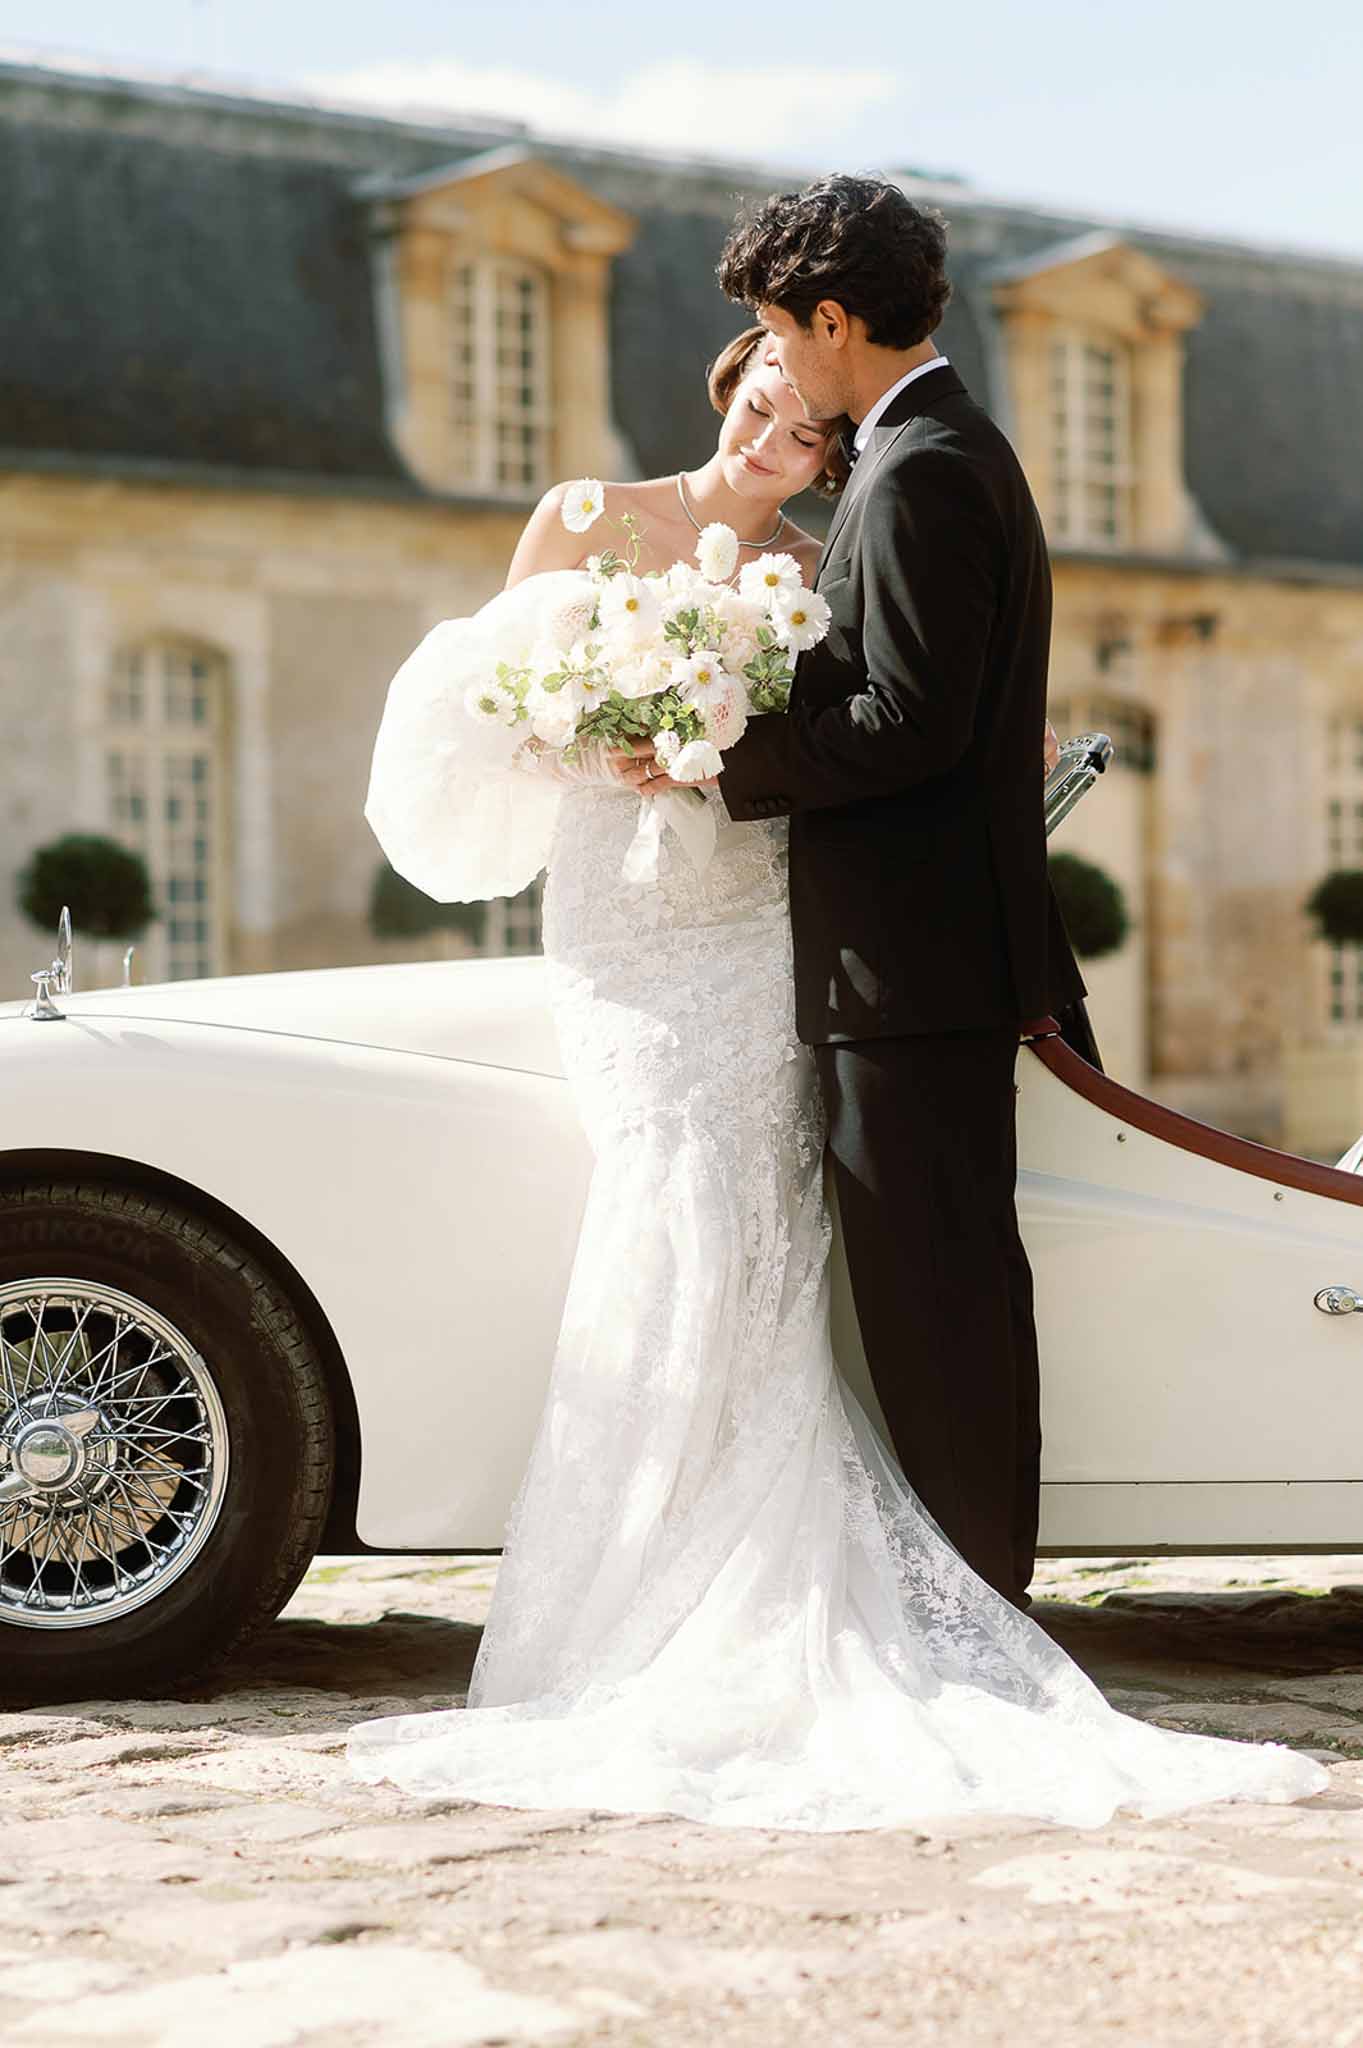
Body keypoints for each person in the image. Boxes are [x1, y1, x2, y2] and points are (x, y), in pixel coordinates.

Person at [349, 236, 1327, 1832]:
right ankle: (651, 1567)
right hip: (628, 929)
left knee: (782, 1230)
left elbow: (884, 727)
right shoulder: (600, 517)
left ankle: (825, 1574)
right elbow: (498, 706)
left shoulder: (839, 542)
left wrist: (702, 756)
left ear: (830, 392)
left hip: (764, 933)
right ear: (732, 383)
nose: (780, 440)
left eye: (807, 428)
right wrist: (609, 739)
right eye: (761, 403)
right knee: (683, 1206)